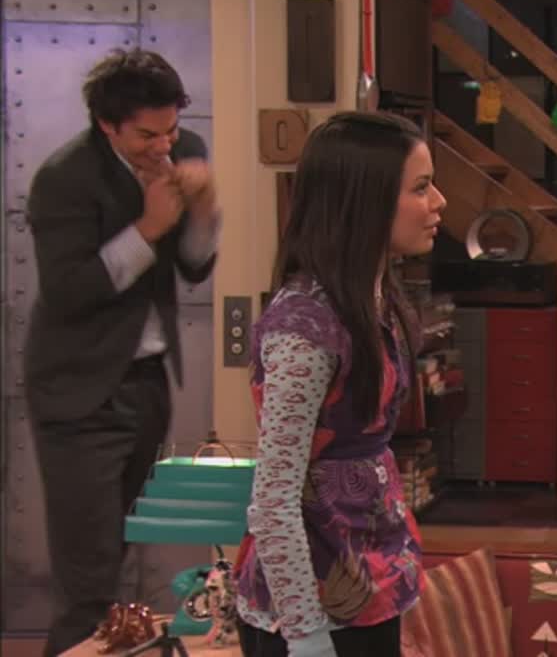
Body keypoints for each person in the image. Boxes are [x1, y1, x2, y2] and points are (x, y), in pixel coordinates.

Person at [24, 48, 219, 656]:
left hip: (148, 385)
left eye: (171, 130)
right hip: (80, 392)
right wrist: (148, 228)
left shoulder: (186, 151)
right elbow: (69, 291)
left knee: (126, 559)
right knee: (89, 578)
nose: (164, 147)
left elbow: (194, 267)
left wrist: (204, 212)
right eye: (147, 136)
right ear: (107, 124)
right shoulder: (65, 178)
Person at [233, 112, 445, 657]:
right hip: (310, 605)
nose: (438, 202)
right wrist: (306, 634)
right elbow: (273, 498)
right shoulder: (305, 328)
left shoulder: (376, 300)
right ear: (365, 201)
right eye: (420, 188)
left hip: (366, 579)